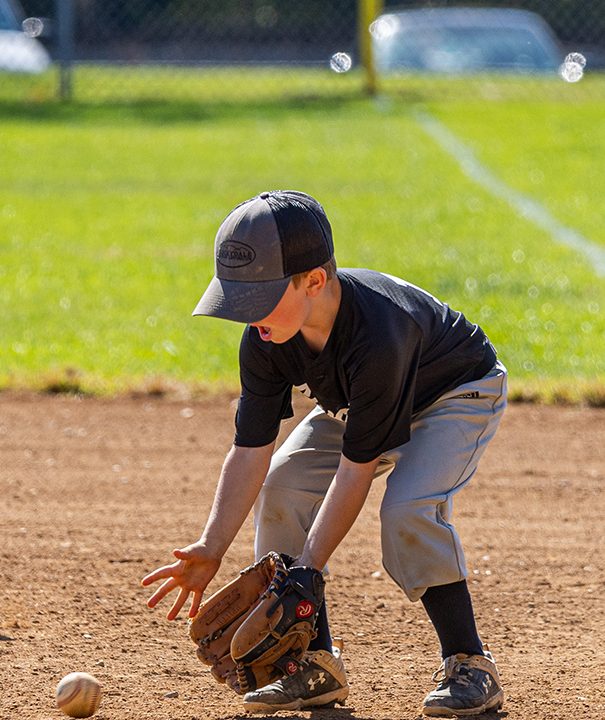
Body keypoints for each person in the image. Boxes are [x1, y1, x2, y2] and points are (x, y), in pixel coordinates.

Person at [141, 191, 508, 716]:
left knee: (407, 508)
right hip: (357, 402)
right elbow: (250, 450)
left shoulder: (380, 334)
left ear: (314, 280)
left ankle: (470, 664)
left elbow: (355, 471)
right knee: (283, 486)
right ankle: (313, 667)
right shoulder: (267, 337)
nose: (248, 315)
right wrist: (212, 544)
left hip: (453, 393)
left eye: (259, 296)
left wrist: (308, 569)